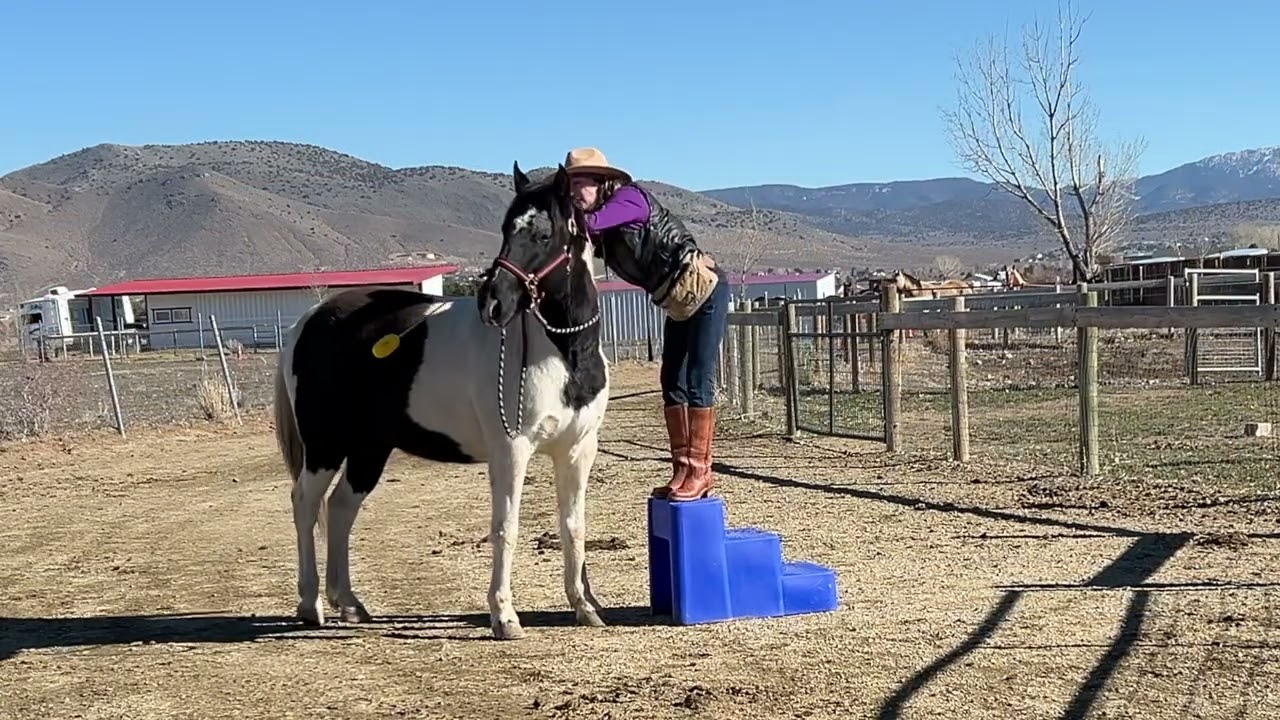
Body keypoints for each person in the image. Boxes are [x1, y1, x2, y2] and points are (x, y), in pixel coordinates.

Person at [563, 147, 729, 502]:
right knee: (671, 379)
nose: (576, 193)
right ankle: (682, 469)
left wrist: (564, 216)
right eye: (571, 185)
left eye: (582, 183)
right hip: (679, 301)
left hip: (704, 290)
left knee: (698, 380)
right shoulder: (599, 226)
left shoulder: (630, 200)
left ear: (603, 182)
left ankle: (701, 472)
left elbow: (587, 225)